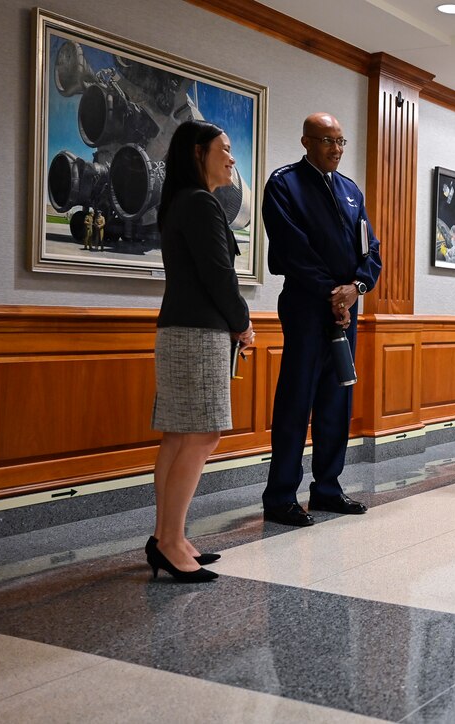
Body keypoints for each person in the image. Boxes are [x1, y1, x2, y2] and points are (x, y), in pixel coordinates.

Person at [261, 112, 382, 526]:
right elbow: (293, 251)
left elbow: (371, 251)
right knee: (297, 400)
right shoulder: (284, 184)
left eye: (341, 141)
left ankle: (327, 488)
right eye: (327, 140)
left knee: (337, 399)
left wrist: (356, 289)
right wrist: (333, 294)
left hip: (347, 307)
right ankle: (280, 496)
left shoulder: (350, 191)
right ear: (306, 142)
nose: (336, 149)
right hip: (307, 305)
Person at [149, 120, 254, 583]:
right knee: (202, 435)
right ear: (198, 153)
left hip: (179, 331)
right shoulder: (201, 204)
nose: (232, 158)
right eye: (225, 149)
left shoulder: (182, 202)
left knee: (178, 435)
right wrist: (244, 324)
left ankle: (169, 537)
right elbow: (219, 276)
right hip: (197, 334)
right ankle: (170, 541)